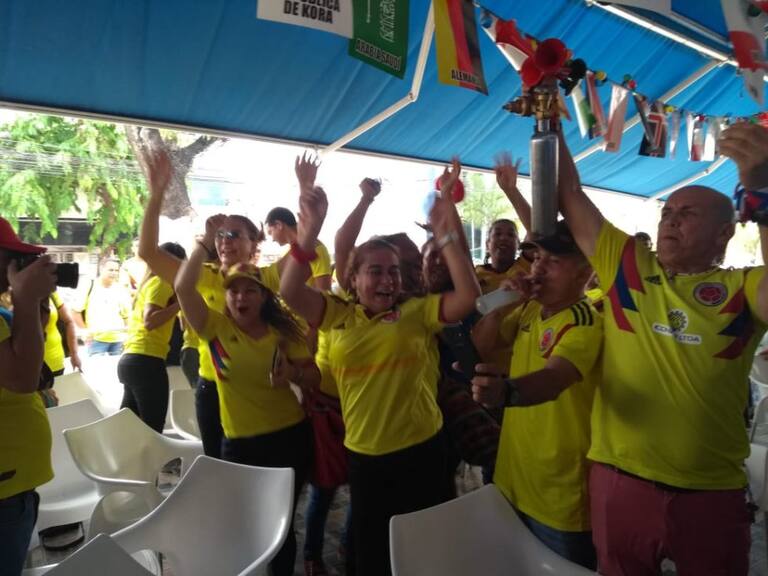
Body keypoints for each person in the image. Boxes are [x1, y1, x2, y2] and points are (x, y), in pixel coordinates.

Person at [557, 121, 768, 574]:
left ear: (724, 234)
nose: (671, 219)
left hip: (711, 491)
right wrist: (550, 116)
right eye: (667, 211)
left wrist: (763, 191)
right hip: (621, 482)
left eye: (687, 213)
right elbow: (570, 193)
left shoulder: (743, 287)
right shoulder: (627, 265)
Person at [280, 154, 480, 576]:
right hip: (366, 455)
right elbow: (290, 291)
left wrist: (446, 235)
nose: (387, 280)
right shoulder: (338, 314)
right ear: (353, 278)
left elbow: (468, 296)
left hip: (424, 450)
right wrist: (308, 233)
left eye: (393, 272)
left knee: (429, 548)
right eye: (375, 271)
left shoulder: (416, 312)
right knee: (372, 552)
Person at [175, 226, 319, 576]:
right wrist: (204, 243)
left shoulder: (283, 333)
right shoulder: (215, 329)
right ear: (225, 297)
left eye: (250, 290)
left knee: (281, 526)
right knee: (245, 522)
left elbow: (314, 376)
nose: (241, 297)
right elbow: (183, 287)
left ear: (264, 297)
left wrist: (293, 374)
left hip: (289, 438)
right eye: (233, 291)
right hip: (239, 445)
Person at [471, 221, 601, 569]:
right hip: (512, 477)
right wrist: (502, 304)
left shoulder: (585, 321)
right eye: (538, 257)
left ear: (584, 272)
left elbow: (555, 377)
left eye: (553, 261)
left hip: (559, 494)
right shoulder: (529, 309)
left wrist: (506, 392)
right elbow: (481, 346)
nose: (539, 268)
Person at [137, 149, 270, 458]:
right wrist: (156, 195)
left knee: (258, 463)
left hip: (257, 385)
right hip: (212, 385)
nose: (225, 240)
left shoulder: (268, 280)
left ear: (254, 243)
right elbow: (148, 252)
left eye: (235, 234)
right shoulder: (203, 276)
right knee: (218, 463)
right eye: (220, 235)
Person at [0, 217, 56, 576]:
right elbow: (22, 378)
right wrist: (25, 297)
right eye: (9, 257)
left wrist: (33, 305)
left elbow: (32, 367)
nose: (15, 267)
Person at [117, 242, 186, 433]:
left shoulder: (149, 283)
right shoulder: (161, 283)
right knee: (152, 429)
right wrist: (180, 304)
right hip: (147, 361)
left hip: (131, 360)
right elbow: (150, 320)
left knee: (129, 428)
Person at [71, 257, 131, 356]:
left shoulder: (121, 289)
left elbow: (126, 315)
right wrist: (85, 331)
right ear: (101, 269)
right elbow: (75, 311)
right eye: (110, 270)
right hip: (96, 341)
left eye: (116, 270)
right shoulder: (89, 285)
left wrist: (128, 335)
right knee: (98, 366)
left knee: (117, 366)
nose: (114, 273)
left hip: (119, 340)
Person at [266, 206, 332, 291]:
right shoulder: (293, 251)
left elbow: (324, 292)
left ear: (278, 225)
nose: (272, 239)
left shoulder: (317, 249)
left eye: (270, 232)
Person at [44, 291, 82, 376]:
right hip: (28, 364)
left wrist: (74, 354)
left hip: (55, 361)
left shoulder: (51, 292)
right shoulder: (16, 293)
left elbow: (69, 322)